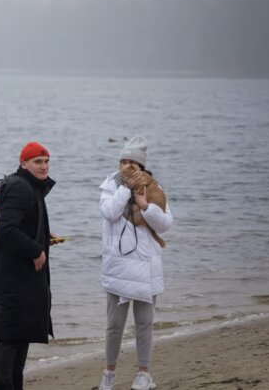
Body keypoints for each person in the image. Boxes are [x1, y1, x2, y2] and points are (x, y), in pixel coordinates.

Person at [98, 136, 174, 390]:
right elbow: (109, 212)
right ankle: (109, 374)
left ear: (141, 165)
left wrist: (145, 205)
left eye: (132, 162)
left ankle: (143, 374)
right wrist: (125, 188)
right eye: (123, 161)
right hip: (118, 267)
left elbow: (165, 224)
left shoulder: (154, 187)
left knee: (144, 323)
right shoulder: (111, 185)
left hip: (147, 266)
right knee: (114, 325)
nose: (127, 166)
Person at [0, 141, 59, 390]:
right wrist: (35, 249)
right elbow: (6, 229)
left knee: (21, 334)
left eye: (46, 161)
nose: (44, 166)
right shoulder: (21, 188)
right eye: (37, 162)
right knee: (9, 337)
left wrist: (43, 237)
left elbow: (21, 225)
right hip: (14, 277)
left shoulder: (30, 186)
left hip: (22, 276)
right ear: (23, 164)